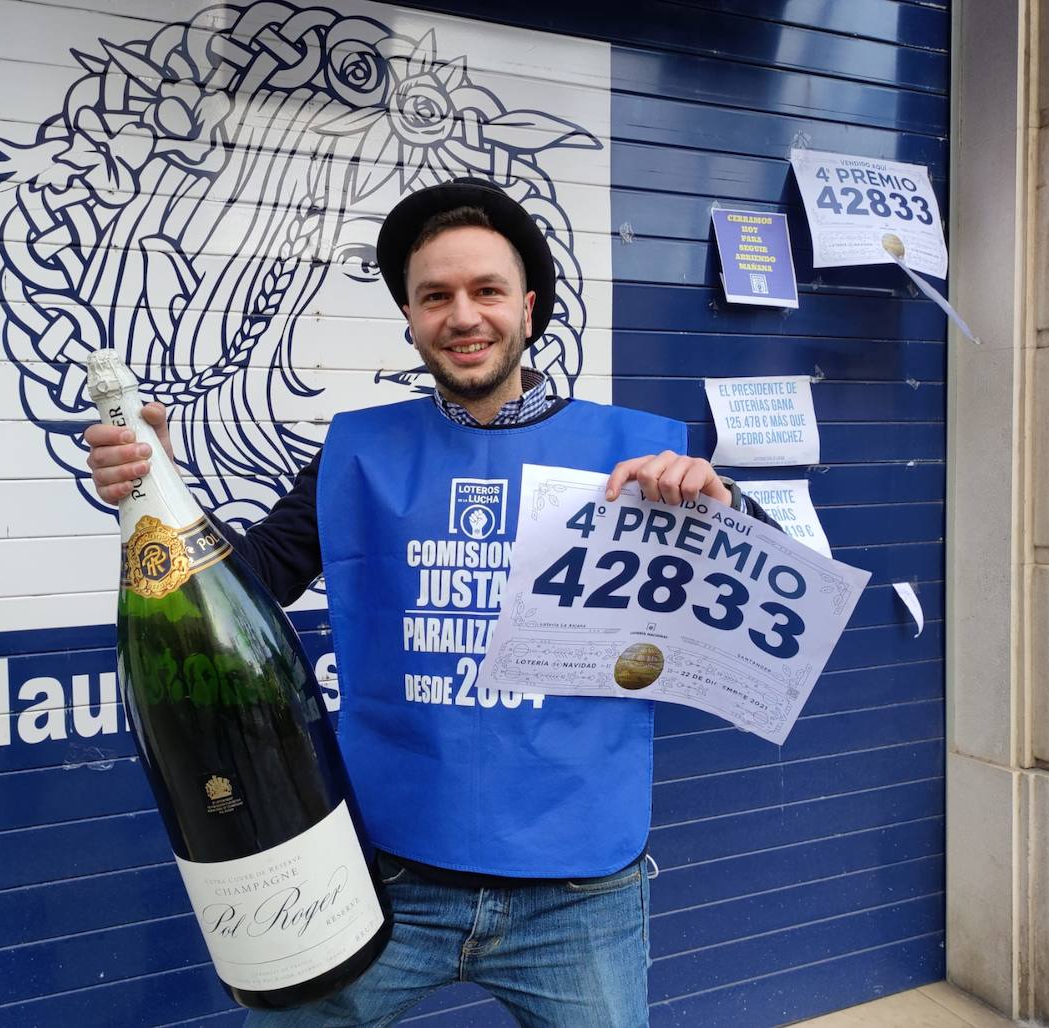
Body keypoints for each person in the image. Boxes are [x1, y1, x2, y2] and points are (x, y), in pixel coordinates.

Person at [85, 178, 777, 1027]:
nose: (463, 315)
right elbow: (252, 578)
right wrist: (166, 484)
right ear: (411, 320)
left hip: (578, 893)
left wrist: (728, 509)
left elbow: (767, 610)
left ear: (529, 306)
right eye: (435, 296)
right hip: (382, 876)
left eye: (487, 290)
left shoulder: (632, 459)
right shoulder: (357, 453)